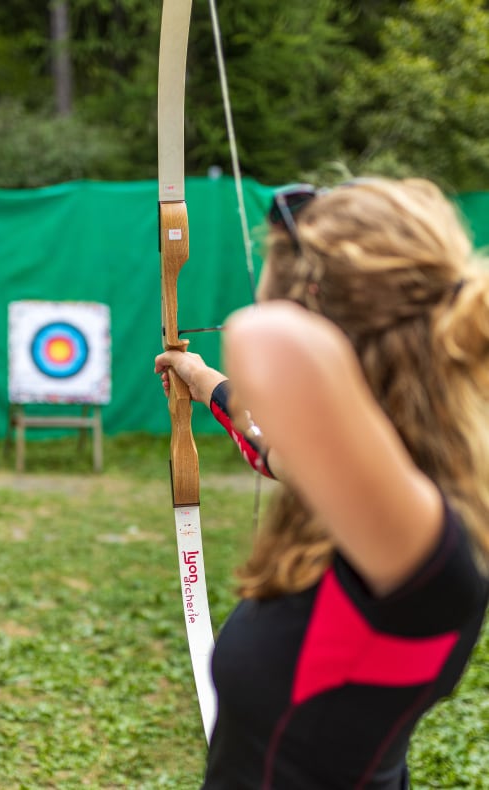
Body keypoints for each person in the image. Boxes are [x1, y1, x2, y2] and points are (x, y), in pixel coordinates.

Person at [154, 178, 489, 790]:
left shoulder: (423, 543)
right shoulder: (388, 499)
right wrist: (201, 379)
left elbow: (270, 344)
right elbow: (277, 447)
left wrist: (294, 279)